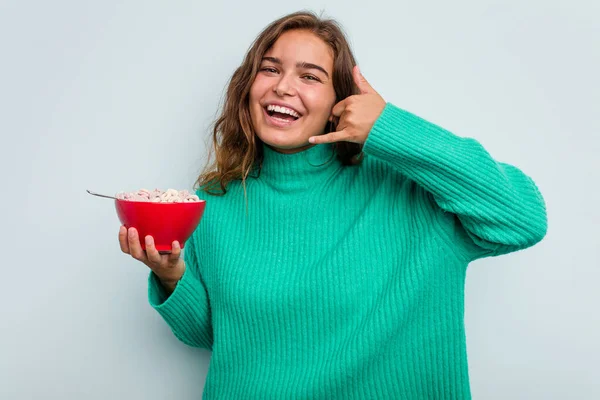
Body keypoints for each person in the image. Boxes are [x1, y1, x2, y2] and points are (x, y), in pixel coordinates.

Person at [118, 10, 547, 399]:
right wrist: (173, 276)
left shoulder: (409, 189)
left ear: (338, 103)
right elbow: (219, 336)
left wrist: (388, 126)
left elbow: (523, 218)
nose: (283, 87)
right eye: (270, 69)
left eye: (310, 76)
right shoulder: (217, 199)